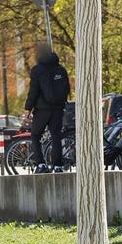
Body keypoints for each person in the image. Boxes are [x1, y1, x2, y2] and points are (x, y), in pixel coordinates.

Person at [23, 42, 70, 174]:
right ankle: (58, 166)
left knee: (35, 135)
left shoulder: (37, 70)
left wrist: (28, 109)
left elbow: (33, 91)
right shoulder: (61, 69)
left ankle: (41, 164)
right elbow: (67, 89)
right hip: (58, 108)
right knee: (56, 136)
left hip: (42, 109)